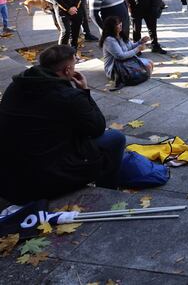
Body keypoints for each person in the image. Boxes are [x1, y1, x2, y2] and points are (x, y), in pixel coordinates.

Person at [0, 45, 127, 204]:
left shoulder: (18, 84)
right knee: (115, 138)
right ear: (68, 70)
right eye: (74, 63)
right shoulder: (68, 96)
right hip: (38, 181)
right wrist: (84, 91)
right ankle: (108, 191)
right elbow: (97, 127)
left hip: (7, 176)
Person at [100, 15, 153, 83]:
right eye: (117, 24)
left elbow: (130, 46)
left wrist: (141, 41)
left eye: (120, 22)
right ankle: (143, 80)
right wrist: (137, 49)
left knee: (150, 63)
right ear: (111, 27)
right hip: (115, 68)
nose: (120, 25)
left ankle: (143, 79)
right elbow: (120, 56)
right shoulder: (109, 40)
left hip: (126, 61)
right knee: (147, 66)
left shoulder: (120, 34)